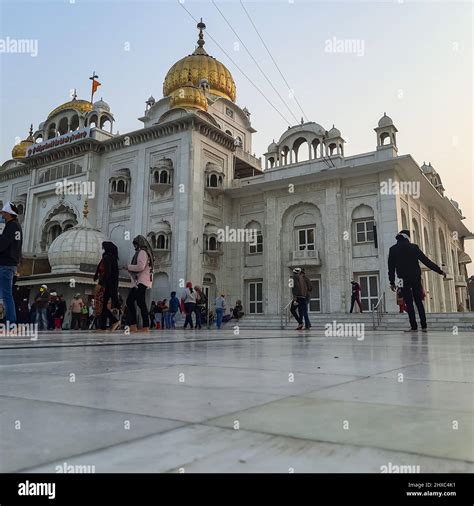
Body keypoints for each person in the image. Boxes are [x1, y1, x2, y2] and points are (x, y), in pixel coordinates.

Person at [388, 229, 446, 332]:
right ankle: (424, 326)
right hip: (415, 277)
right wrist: (440, 271)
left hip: (402, 279)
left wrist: (392, 282)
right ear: (407, 237)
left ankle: (414, 327)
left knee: (409, 302)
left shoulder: (393, 249)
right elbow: (426, 261)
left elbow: (391, 268)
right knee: (418, 301)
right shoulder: (414, 247)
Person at [0, 202, 23, 326]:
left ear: (8, 213)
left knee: (6, 294)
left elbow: (3, 244)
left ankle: (10, 321)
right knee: (4, 294)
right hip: (11, 263)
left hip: (5, 263)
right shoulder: (16, 226)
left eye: (3, 213)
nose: (2, 215)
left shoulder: (10, 226)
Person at [125, 235, 154, 332]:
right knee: (135, 302)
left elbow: (140, 267)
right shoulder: (143, 252)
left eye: (135, 244)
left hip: (140, 282)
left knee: (138, 303)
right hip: (140, 282)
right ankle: (137, 325)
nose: (135, 247)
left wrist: (129, 267)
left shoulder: (142, 252)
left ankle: (143, 326)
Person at [94, 241, 120, 332]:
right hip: (110, 284)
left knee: (102, 305)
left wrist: (100, 283)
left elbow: (107, 272)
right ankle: (105, 325)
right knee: (103, 305)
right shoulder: (112, 258)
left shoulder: (107, 258)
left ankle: (111, 322)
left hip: (106, 285)